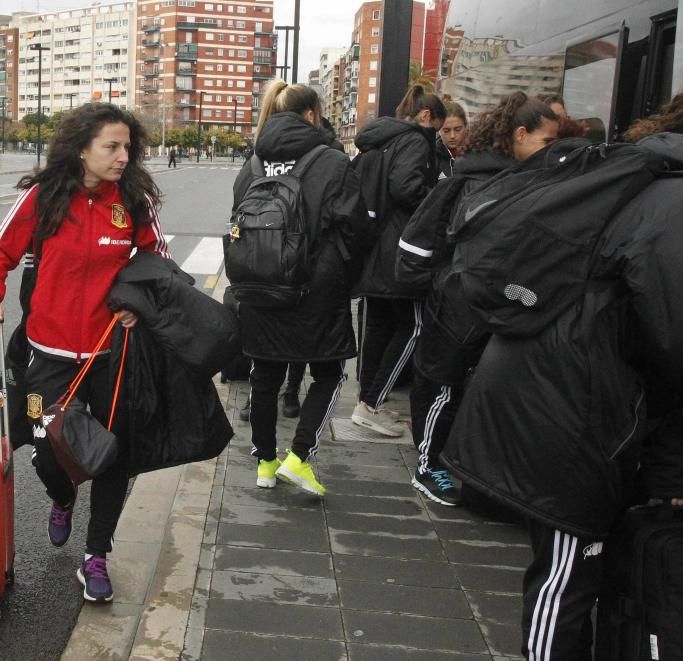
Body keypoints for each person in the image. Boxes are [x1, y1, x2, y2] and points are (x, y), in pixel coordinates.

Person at [442, 64, 683, 660]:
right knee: (563, 575)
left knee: (576, 569)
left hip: (564, 391)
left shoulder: (668, 176)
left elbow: (655, 343)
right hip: (567, 407)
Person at [0, 102, 171, 604]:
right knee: (47, 450)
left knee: (111, 455)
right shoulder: (44, 198)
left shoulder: (132, 199)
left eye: (128, 146)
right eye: (111, 146)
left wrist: (136, 303)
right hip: (48, 359)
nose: (123, 155)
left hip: (110, 355)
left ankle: (96, 556)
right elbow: (0, 249)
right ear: (82, 149)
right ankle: (62, 496)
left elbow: (157, 260)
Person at [398, 92, 559, 507]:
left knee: (465, 390)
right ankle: (428, 466)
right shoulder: (474, 181)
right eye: (547, 141)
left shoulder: (515, 180)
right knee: (443, 388)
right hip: (458, 305)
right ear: (520, 136)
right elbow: (420, 242)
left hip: (488, 306)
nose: (553, 151)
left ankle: (455, 463)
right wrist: (436, 292)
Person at [230, 79, 369, 496]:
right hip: (316, 290)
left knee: (264, 376)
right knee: (329, 373)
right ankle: (300, 456)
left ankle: (265, 463)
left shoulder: (252, 164)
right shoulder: (331, 161)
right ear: (311, 115)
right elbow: (355, 229)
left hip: (260, 290)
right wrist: (345, 276)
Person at [352, 84, 447, 438]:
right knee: (412, 327)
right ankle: (371, 402)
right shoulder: (414, 140)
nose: (437, 135)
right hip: (399, 248)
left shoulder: (377, 140)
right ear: (426, 116)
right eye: (438, 126)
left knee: (377, 327)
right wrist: (438, 196)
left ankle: (367, 400)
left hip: (374, 247)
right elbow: (405, 187)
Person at [437, 99, 468, 177]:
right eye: (446, 131)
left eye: (458, 129)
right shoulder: (431, 157)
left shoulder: (477, 154)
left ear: (466, 127)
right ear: (439, 130)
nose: (452, 136)